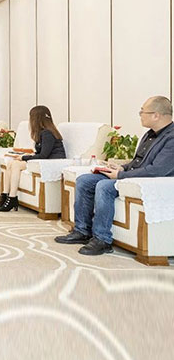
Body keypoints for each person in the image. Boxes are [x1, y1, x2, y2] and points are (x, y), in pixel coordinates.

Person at [55, 96, 174, 256]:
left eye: (142, 111)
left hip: (147, 181)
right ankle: (82, 231)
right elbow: (138, 162)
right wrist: (121, 167)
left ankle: (102, 239)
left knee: (104, 186)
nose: (140, 115)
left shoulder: (171, 138)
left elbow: (156, 170)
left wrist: (121, 174)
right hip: (131, 176)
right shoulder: (149, 134)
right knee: (84, 180)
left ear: (156, 115)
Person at [0, 105, 66, 212]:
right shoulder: (43, 132)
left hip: (52, 162)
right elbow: (41, 153)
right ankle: (5, 195)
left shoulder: (47, 133)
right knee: (11, 163)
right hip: (46, 159)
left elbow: (44, 155)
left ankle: (12, 197)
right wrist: (25, 156)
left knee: (16, 164)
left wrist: (24, 157)